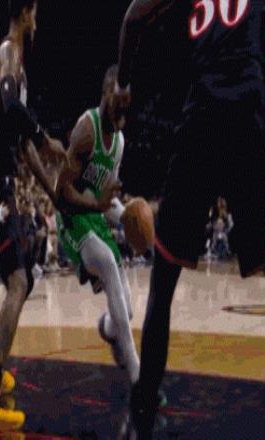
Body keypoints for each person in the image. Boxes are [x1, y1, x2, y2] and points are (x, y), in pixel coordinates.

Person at [112, 0, 264, 435]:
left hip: (203, 119)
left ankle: (143, 410)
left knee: (163, 282)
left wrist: (122, 83)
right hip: (249, 111)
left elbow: (132, 16)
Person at [0, 0, 68, 430]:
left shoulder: (18, 65)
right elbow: (15, 113)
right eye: (36, 11)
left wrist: (54, 193)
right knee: (18, 281)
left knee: (24, 279)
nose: (38, 19)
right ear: (26, 13)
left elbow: (26, 146)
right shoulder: (8, 51)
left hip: (4, 180)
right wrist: (47, 137)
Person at [55, 65, 139, 386]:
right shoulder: (86, 130)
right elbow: (60, 193)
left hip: (93, 217)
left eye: (128, 107)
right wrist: (98, 206)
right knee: (106, 262)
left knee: (125, 314)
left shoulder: (119, 143)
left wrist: (128, 216)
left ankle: (106, 328)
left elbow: (107, 201)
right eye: (119, 104)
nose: (123, 114)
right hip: (71, 217)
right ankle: (137, 372)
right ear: (106, 94)